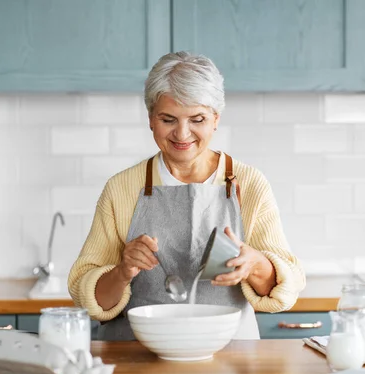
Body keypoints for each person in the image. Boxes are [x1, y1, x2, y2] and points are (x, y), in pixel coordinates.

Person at [68, 51, 305, 340]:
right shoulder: (122, 189)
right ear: (151, 119)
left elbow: (287, 289)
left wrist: (255, 264)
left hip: (229, 360)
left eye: (197, 119)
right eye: (168, 119)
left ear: (216, 119)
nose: (182, 134)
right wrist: (122, 272)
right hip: (138, 360)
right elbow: (88, 300)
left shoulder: (249, 184)